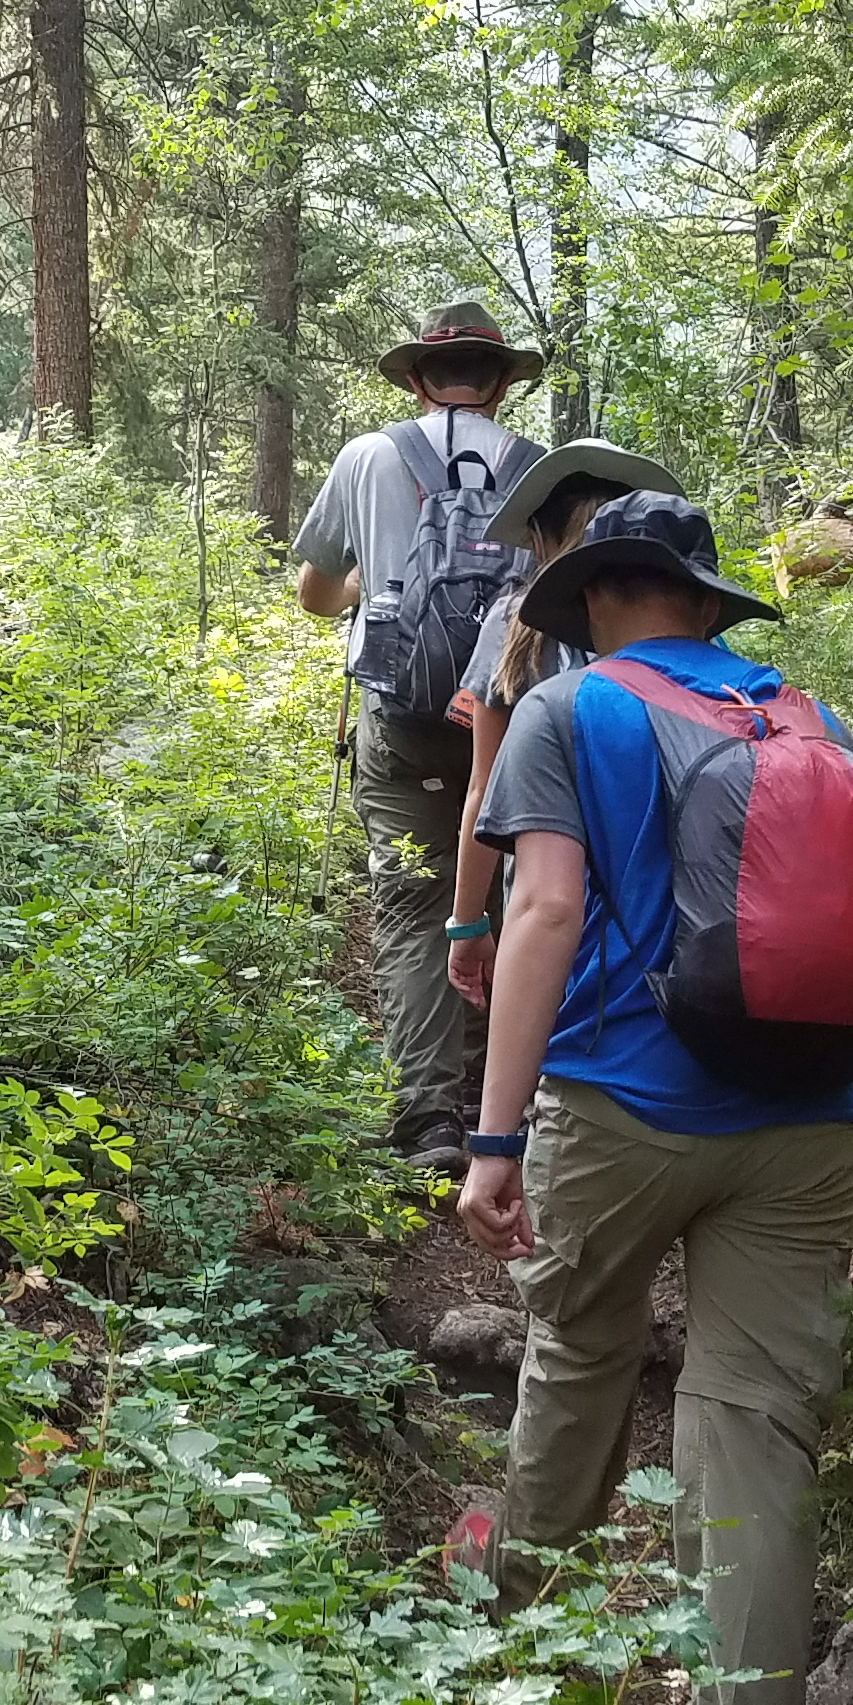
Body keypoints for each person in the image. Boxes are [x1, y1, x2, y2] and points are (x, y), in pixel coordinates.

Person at [448, 490, 853, 1705]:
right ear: (708, 601)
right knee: (755, 1454)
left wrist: (495, 1131)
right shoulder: (816, 722)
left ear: (595, 601)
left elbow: (540, 913)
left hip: (621, 1112)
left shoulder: (571, 712)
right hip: (807, 1128)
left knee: (579, 1364)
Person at [289, 294, 548, 1173]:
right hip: (513, 714)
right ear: (503, 382)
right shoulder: (542, 468)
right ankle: (500, 1101)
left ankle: (427, 1117)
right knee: (511, 896)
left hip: (398, 715)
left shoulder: (366, 457)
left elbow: (316, 592)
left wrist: (373, 589)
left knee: (411, 904)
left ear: (417, 378)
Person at [442, 439, 685, 1017]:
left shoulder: (512, 622)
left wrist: (467, 920)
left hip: (540, 894)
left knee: (553, 1040)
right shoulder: (686, 626)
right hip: (665, 897)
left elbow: (485, 785)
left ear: (543, 541)